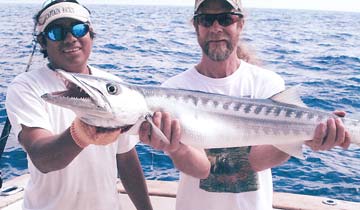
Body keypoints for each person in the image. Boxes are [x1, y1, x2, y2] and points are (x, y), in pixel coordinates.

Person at [139, 0, 351, 210]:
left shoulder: (268, 83)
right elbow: (202, 169)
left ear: (240, 24)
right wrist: (176, 149)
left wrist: (308, 136)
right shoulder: (173, 89)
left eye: (225, 19)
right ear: (196, 26)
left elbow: (257, 161)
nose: (215, 28)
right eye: (206, 20)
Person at [5, 1, 152, 210]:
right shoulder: (26, 86)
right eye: (57, 32)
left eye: (78, 28)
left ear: (91, 34)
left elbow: (126, 158)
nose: (70, 38)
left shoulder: (114, 86)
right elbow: (43, 159)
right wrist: (84, 131)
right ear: (43, 42)